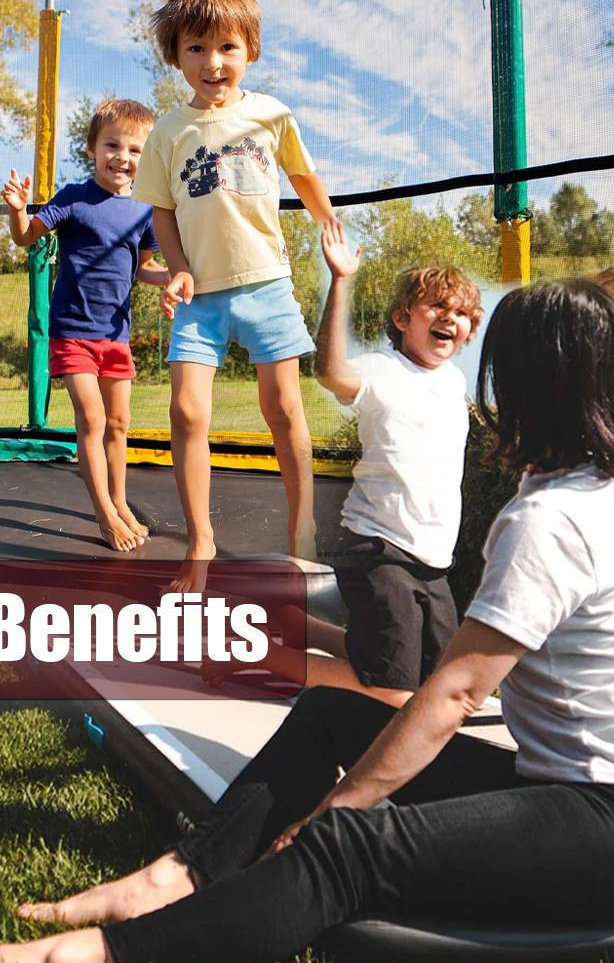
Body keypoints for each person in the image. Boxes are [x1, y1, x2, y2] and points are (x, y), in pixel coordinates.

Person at [0, 279, 614, 963]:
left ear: (527, 384)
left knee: (347, 843)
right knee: (333, 715)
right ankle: (178, 875)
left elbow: (461, 690)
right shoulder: (607, 472)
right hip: (576, 785)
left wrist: (338, 806)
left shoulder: (551, 519)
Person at [202, 224, 483, 702]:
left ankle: (295, 625)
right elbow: (330, 373)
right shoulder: (383, 371)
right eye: (436, 306)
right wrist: (341, 281)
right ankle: (247, 653)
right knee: (394, 693)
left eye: (460, 313)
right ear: (401, 318)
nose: (448, 318)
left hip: (433, 559)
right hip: (380, 549)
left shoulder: (454, 381)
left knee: (435, 680)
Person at [129, 0, 342, 590]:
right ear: (177, 55)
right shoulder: (168, 131)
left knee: (283, 410)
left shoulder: (272, 116)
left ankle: (302, 538)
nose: (213, 61)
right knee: (187, 411)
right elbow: (161, 210)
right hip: (202, 295)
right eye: (196, 47)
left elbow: (303, 175)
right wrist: (178, 269)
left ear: (249, 49)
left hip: (267, 284)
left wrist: (330, 227)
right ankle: (201, 545)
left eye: (226, 47)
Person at [3, 98, 169, 552]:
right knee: (92, 418)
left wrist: (174, 279)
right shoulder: (73, 198)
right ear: (93, 148)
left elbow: (145, 268)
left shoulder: (143, 211)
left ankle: (119, 500)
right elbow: (25, 237)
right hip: (73, 332)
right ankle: (103, 515)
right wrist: (19, 208)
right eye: (112, 145)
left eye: (135, 150)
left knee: (119, 422)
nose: (123, 157)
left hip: (117, 335)